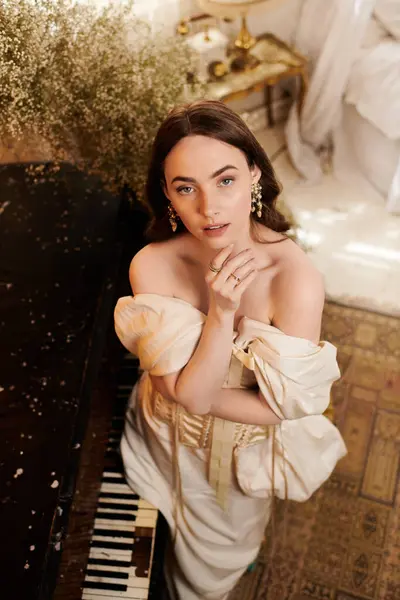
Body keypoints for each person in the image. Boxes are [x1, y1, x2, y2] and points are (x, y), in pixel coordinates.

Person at [114, 99, 347, 600]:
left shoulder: (295, 280)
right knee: (151, 518)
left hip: (236, 456)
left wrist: (186, 385)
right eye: (186, 188)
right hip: (161, 430)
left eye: (225, 180)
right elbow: (177, 394)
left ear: (254, 174)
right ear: (167, 194)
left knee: (210, 569)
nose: (209, 208)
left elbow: (267, 408)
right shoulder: (152, 264)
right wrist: (220, 315)